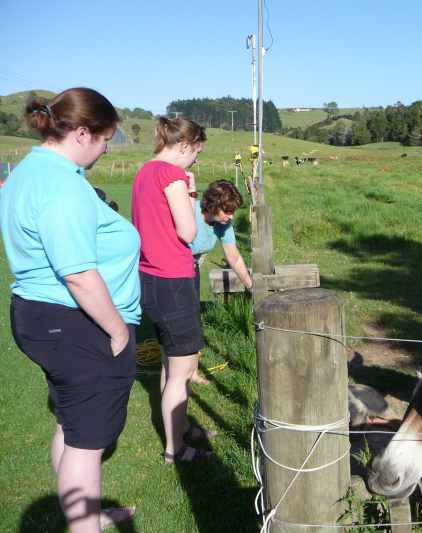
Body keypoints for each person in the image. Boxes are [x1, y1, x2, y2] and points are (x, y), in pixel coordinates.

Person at [0, 88, 139, 533]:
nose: (103, 150)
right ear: (82, 132)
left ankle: (84, 515)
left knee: (71, 423)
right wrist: (116, 330)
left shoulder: (32, 170)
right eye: (104, 140)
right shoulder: (61, 185)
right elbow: (78, 273)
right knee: (86, 443)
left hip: (45, 317)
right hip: (75, 321)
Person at [131, 116, 214, 464]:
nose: (195, 159)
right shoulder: (173, 175)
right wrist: (191, 193)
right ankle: (175, 449)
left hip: (149, 277)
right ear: (184, 145)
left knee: (171, 360)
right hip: (174, 281)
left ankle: (178, 429)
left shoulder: (144, 172)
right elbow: (188, 232)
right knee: (181, 371)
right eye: (195, 151)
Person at [188, 179, 252, 385]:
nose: (231, 216)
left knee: (193, 318)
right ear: (214, 205)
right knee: (180, 323)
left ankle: (193, 372)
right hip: (171, 270)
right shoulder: (190, 212)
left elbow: (233, 257)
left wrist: (250, 285)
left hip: (191, 268)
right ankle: (175, 372)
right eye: (227, 211)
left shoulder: (223, 225)